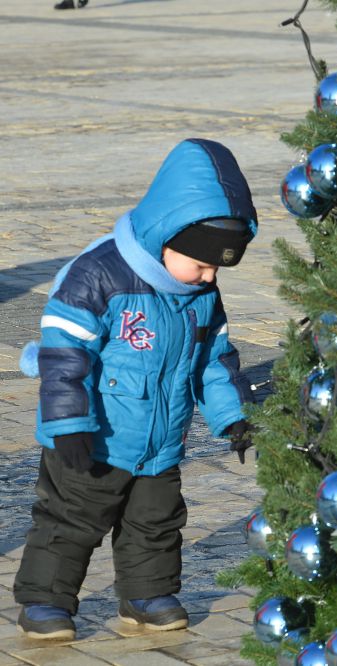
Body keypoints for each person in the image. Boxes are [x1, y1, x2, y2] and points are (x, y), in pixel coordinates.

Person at [13, 138, 259, 640]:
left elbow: (214, 359)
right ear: (167, 237)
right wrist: (68, 425)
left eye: (217, 269)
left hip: (161, 442)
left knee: (157, 521)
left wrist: (234, 415)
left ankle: (147, 596)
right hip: (92, 436)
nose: (208, 278)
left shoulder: (200, 295)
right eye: (202, 264)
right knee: (69, 521)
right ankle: (45, 602)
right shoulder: (98, 275)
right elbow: (64, 355)